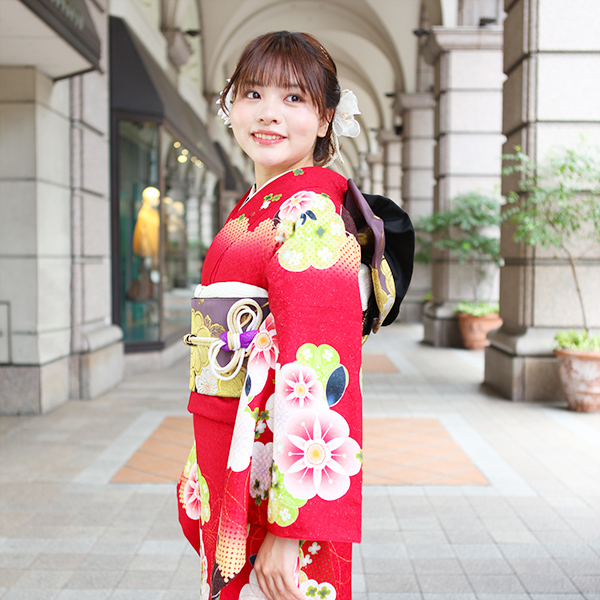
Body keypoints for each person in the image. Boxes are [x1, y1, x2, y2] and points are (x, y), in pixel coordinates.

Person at [177, 31, 365, 600]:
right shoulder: (260, 204)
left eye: (294, 98)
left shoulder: (309, 212)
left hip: (273, 469)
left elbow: (321, 368)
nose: (268, 113)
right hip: (234, 440)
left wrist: (293, 526)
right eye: (253, 94)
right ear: (230, 105)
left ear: (326, 117)